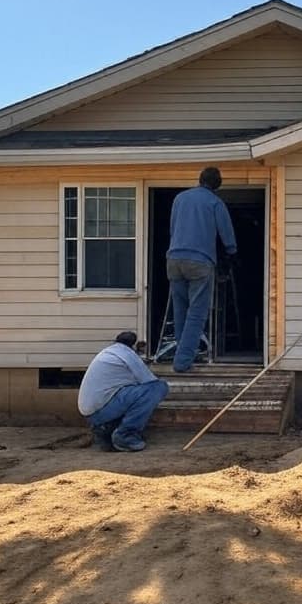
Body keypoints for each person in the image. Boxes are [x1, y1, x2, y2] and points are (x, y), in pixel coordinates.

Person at [165, 166, 238, 372]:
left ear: (200, 179)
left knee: (180, 310)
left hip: (174, 259)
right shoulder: (215, 202)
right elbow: (227, 234)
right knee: (197, 313)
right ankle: (182, 362)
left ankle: (181, 354)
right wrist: (232, 252)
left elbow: (172, 228)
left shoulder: (180, 198)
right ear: (218, 184)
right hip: (200, 262)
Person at [78, 331, 170, 452]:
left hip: (93, 412)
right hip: (101, 411)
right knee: (158, 388)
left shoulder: (110, 352)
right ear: (133, 346)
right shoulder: (128, 354)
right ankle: (126, 435)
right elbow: (149, 382)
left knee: (133, 393)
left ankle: (107, 429)